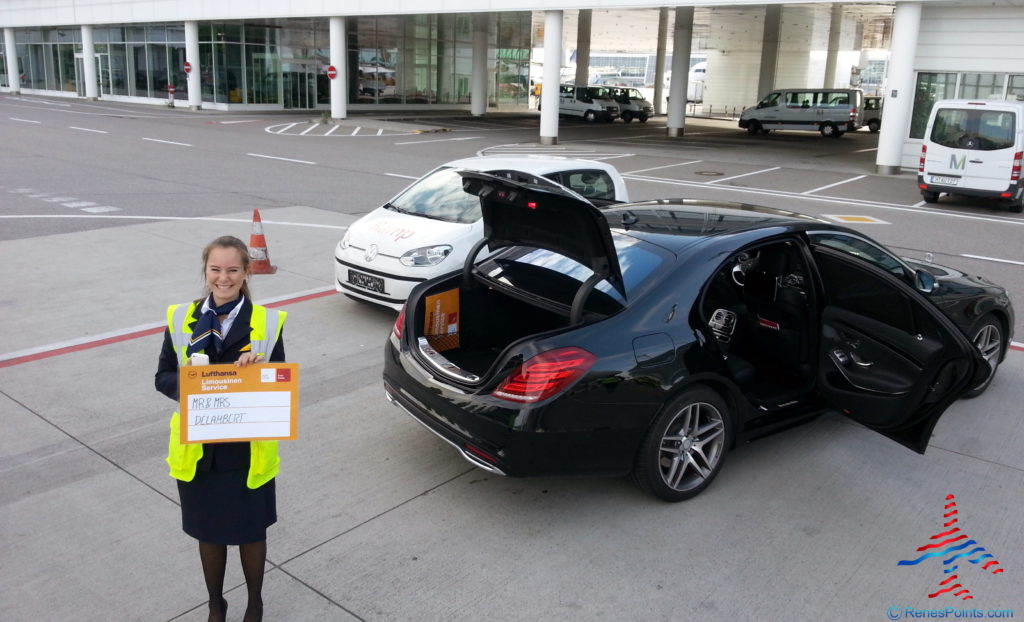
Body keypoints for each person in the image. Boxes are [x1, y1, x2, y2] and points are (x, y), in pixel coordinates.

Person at [155, 235, 286, 622]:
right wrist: (192, 387)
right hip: (200, 449)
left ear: (246, 272)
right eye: (216, 269)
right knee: (209, 532)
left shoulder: (266, 322)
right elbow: (162, 376)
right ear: (206, 270)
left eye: (232, 270)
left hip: (247, 450)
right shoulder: (182, 318)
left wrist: (258, 373)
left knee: (250, 532)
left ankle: (255, 602)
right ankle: (216, 603)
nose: (223, 278)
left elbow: (281, 382)